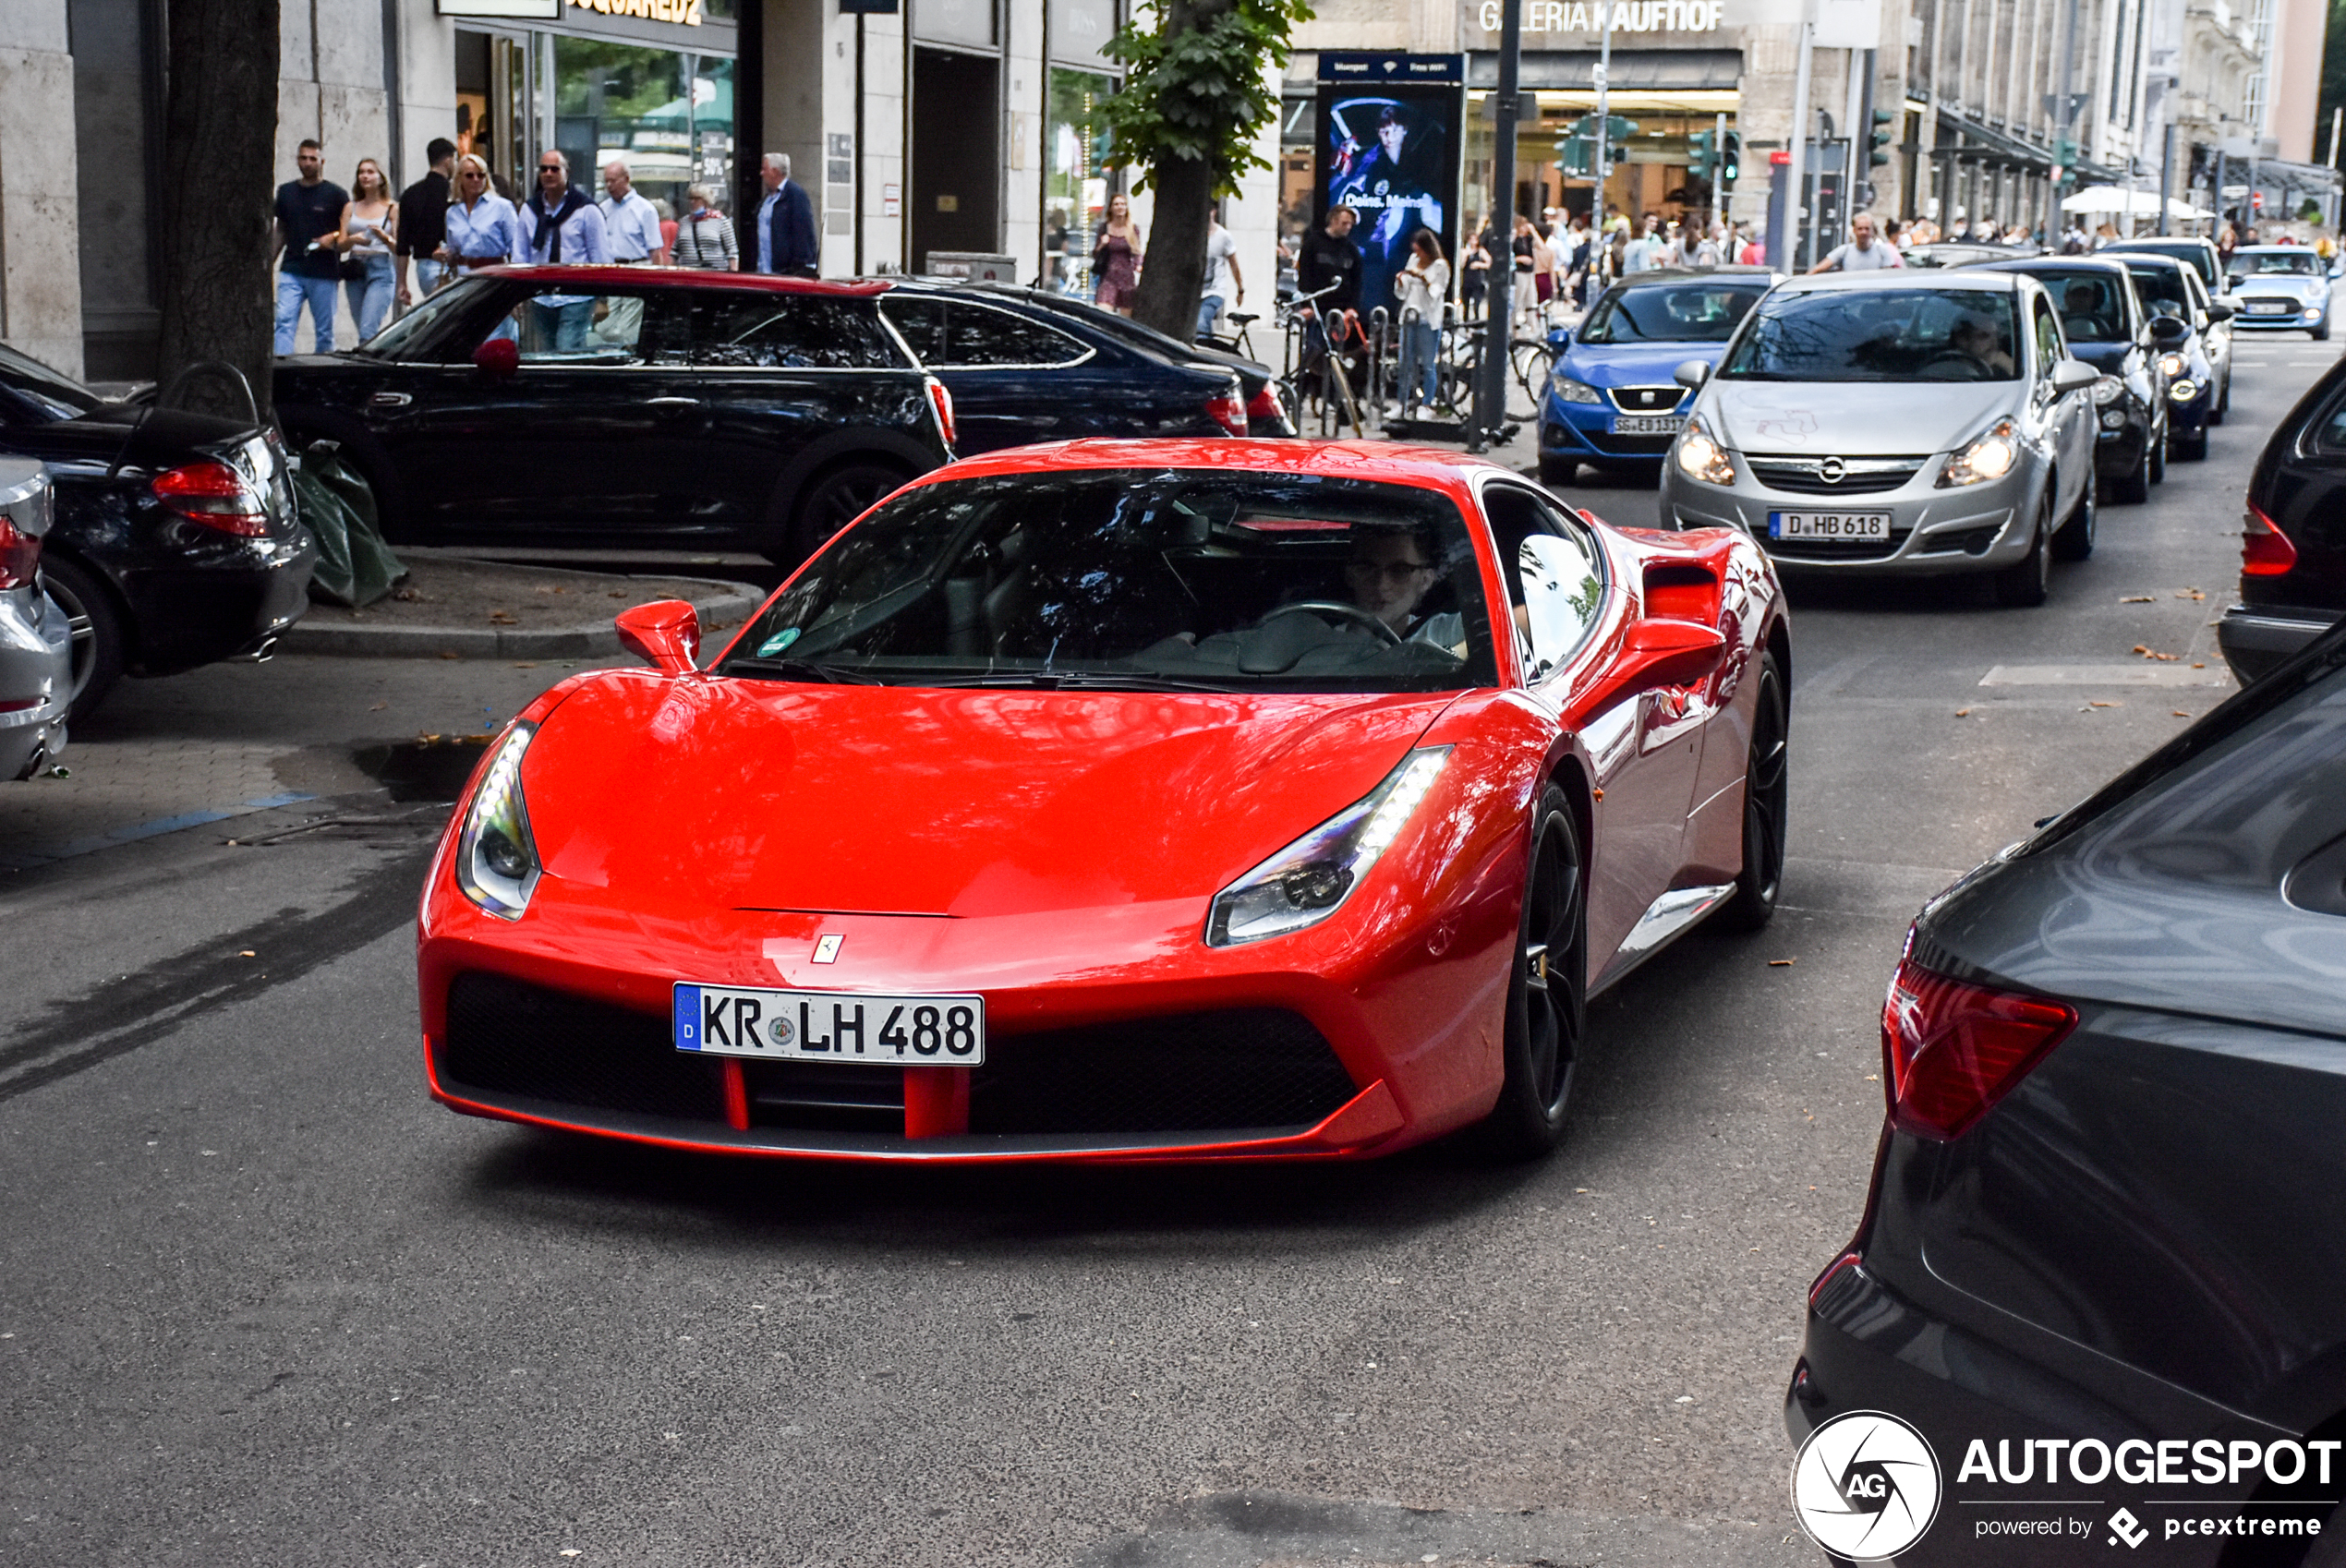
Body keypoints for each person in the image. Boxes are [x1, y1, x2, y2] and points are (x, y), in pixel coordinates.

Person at [515, 151, 611, 351]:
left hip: (577, 297)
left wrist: (602, 298)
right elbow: (520, 255)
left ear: (566, 172)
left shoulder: (586, 210)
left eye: (554, 169)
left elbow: (600, 256)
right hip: (541, 297)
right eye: (544, 169)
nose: (548, 174)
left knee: (566, 349)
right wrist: (516, 296)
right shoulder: (530, 210)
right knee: (545, 353)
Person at [272, 139, 349, 354]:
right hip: (292, 268)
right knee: (284, 322)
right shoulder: (286, 192)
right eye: (303, 158)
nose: (307, 163)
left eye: (312, 159)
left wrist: (331, 238)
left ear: (322, 161)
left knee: (325, 330)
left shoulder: (336, 194)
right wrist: (269, 260)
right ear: (297, 160)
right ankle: (282, 368)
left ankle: (322, 372)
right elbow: (281, 230)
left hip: (324, 271)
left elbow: (347, 231)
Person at [1345, 525, 1461, 650]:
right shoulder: (1326, 639)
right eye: (1366, 568)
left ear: (1425, 580)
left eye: (1400, 571)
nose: (1381, 585)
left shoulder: (1448, 631)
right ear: (1350, 576)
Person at [329, 157, 398, 344]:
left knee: (368, 330)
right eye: (361, 172)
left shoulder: (392, 208)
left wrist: (384, 237)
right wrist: (353, 240)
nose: (365, 176)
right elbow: (341, 245)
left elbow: (399, 247)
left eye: (370, 172)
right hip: (355, 267)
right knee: (364, 329)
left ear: (381, 178)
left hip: (381, 267)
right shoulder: (350, 207)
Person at [1392, 228, 1449, 416]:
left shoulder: (1440, 266)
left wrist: (1423, 279)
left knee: (1428, 364)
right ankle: (1402, 402)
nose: (1418, 255)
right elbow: (1403, 291)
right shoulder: (1413, 260)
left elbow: (1436, 292)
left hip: (1428, 319)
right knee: (1405, 363)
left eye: (1420, 251)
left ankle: (1427, 403)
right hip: (1410, 315)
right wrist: (1401, 281)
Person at [440, 153, 518, 289]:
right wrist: (445, 254)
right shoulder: (453, 213)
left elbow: (517, 247)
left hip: (495, 276)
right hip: (463, 278)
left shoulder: (502, 207)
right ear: (460, 179)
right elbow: (453, 250)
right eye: (470, 176)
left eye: (480, 175)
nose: (476, 180)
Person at [395, 138, 456, 310]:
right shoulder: (452, 193)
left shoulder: (410, 194)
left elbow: (403, 244)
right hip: (449, 262)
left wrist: (402, 282)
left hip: (423, 266)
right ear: (448, 159)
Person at [752, 153, 819, 277]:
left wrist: (800, 266)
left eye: (764, 169)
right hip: (763, 272)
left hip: (784, 273)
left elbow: (803, 232)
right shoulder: (767, 199)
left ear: (775, 172)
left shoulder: (795, 195)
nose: (761, 173)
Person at [599, 157, 668, 266]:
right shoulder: (603, 209)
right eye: (606, 181)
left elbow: (655, 251)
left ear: (626, 179)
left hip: (636, 268)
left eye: (613, 181)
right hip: (609, 270)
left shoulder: (645, 209)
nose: (609, 186)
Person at [1297, 204, 1361, 315]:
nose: (1348, 227)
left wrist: (1352, 307)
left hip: (1343, 307)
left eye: (1351, 224)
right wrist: (1307, 305)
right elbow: (1304, 275)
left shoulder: (1352, 249)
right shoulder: (1313, 243)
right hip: (1316, 306)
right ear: (1333, 220)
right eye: (1344, 223)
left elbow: (1357, 281)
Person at [1196, 204, 1243, 342]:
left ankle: (1203, 353)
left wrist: (1240, 290)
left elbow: (1234, 265)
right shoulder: (1194, 236)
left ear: (1214, 212)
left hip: (1214, 292)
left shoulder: (1223, 236)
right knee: (1203, 324)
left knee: (1201, 321)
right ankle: (1211, 350)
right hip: (1195, 292)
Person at [1093, 192, 1143, 313]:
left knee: (1126, 319)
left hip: (1126, 277)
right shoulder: (1104, 228)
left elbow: (1137, 252)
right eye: (1116, 204)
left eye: (1123, 204)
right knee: (1103, 313)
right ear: (1111, 208)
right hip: (1108, 277)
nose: (1120, 207)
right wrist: (1102, 244)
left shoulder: (1132, 229)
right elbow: (1095, 254)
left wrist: (1138, 264)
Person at [1808, 211, 1902, 272]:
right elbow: (1819, 268)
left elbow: (1888, 277)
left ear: (1872, 231)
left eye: (1867, 229)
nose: (1863, 232)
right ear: (1854, 231)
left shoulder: (1882, 251)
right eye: (1860, 229)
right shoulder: (1844, 251)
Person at [673, 186, 738, 271]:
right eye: (690, 198)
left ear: (706, 201)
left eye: (697, 199)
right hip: (687, 274)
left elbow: (732, 252)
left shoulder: (721, 221)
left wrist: (733, 273)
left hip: (714, 274)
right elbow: (674, 252)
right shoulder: (684, 222)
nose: (692, 202)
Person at [1458, 222, 1491, 320]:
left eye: (1475, 239)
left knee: (1477, 304)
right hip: (1467, 281)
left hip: (1477, 281)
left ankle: (1476, 323)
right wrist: (1465, 256)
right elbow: (1461, 265)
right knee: (1466, 305)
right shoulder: (1464, 251)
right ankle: (1466, 323)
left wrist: (1480, 264)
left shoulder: (1481, 251)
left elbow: (1489, 263)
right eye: (1470, 239)